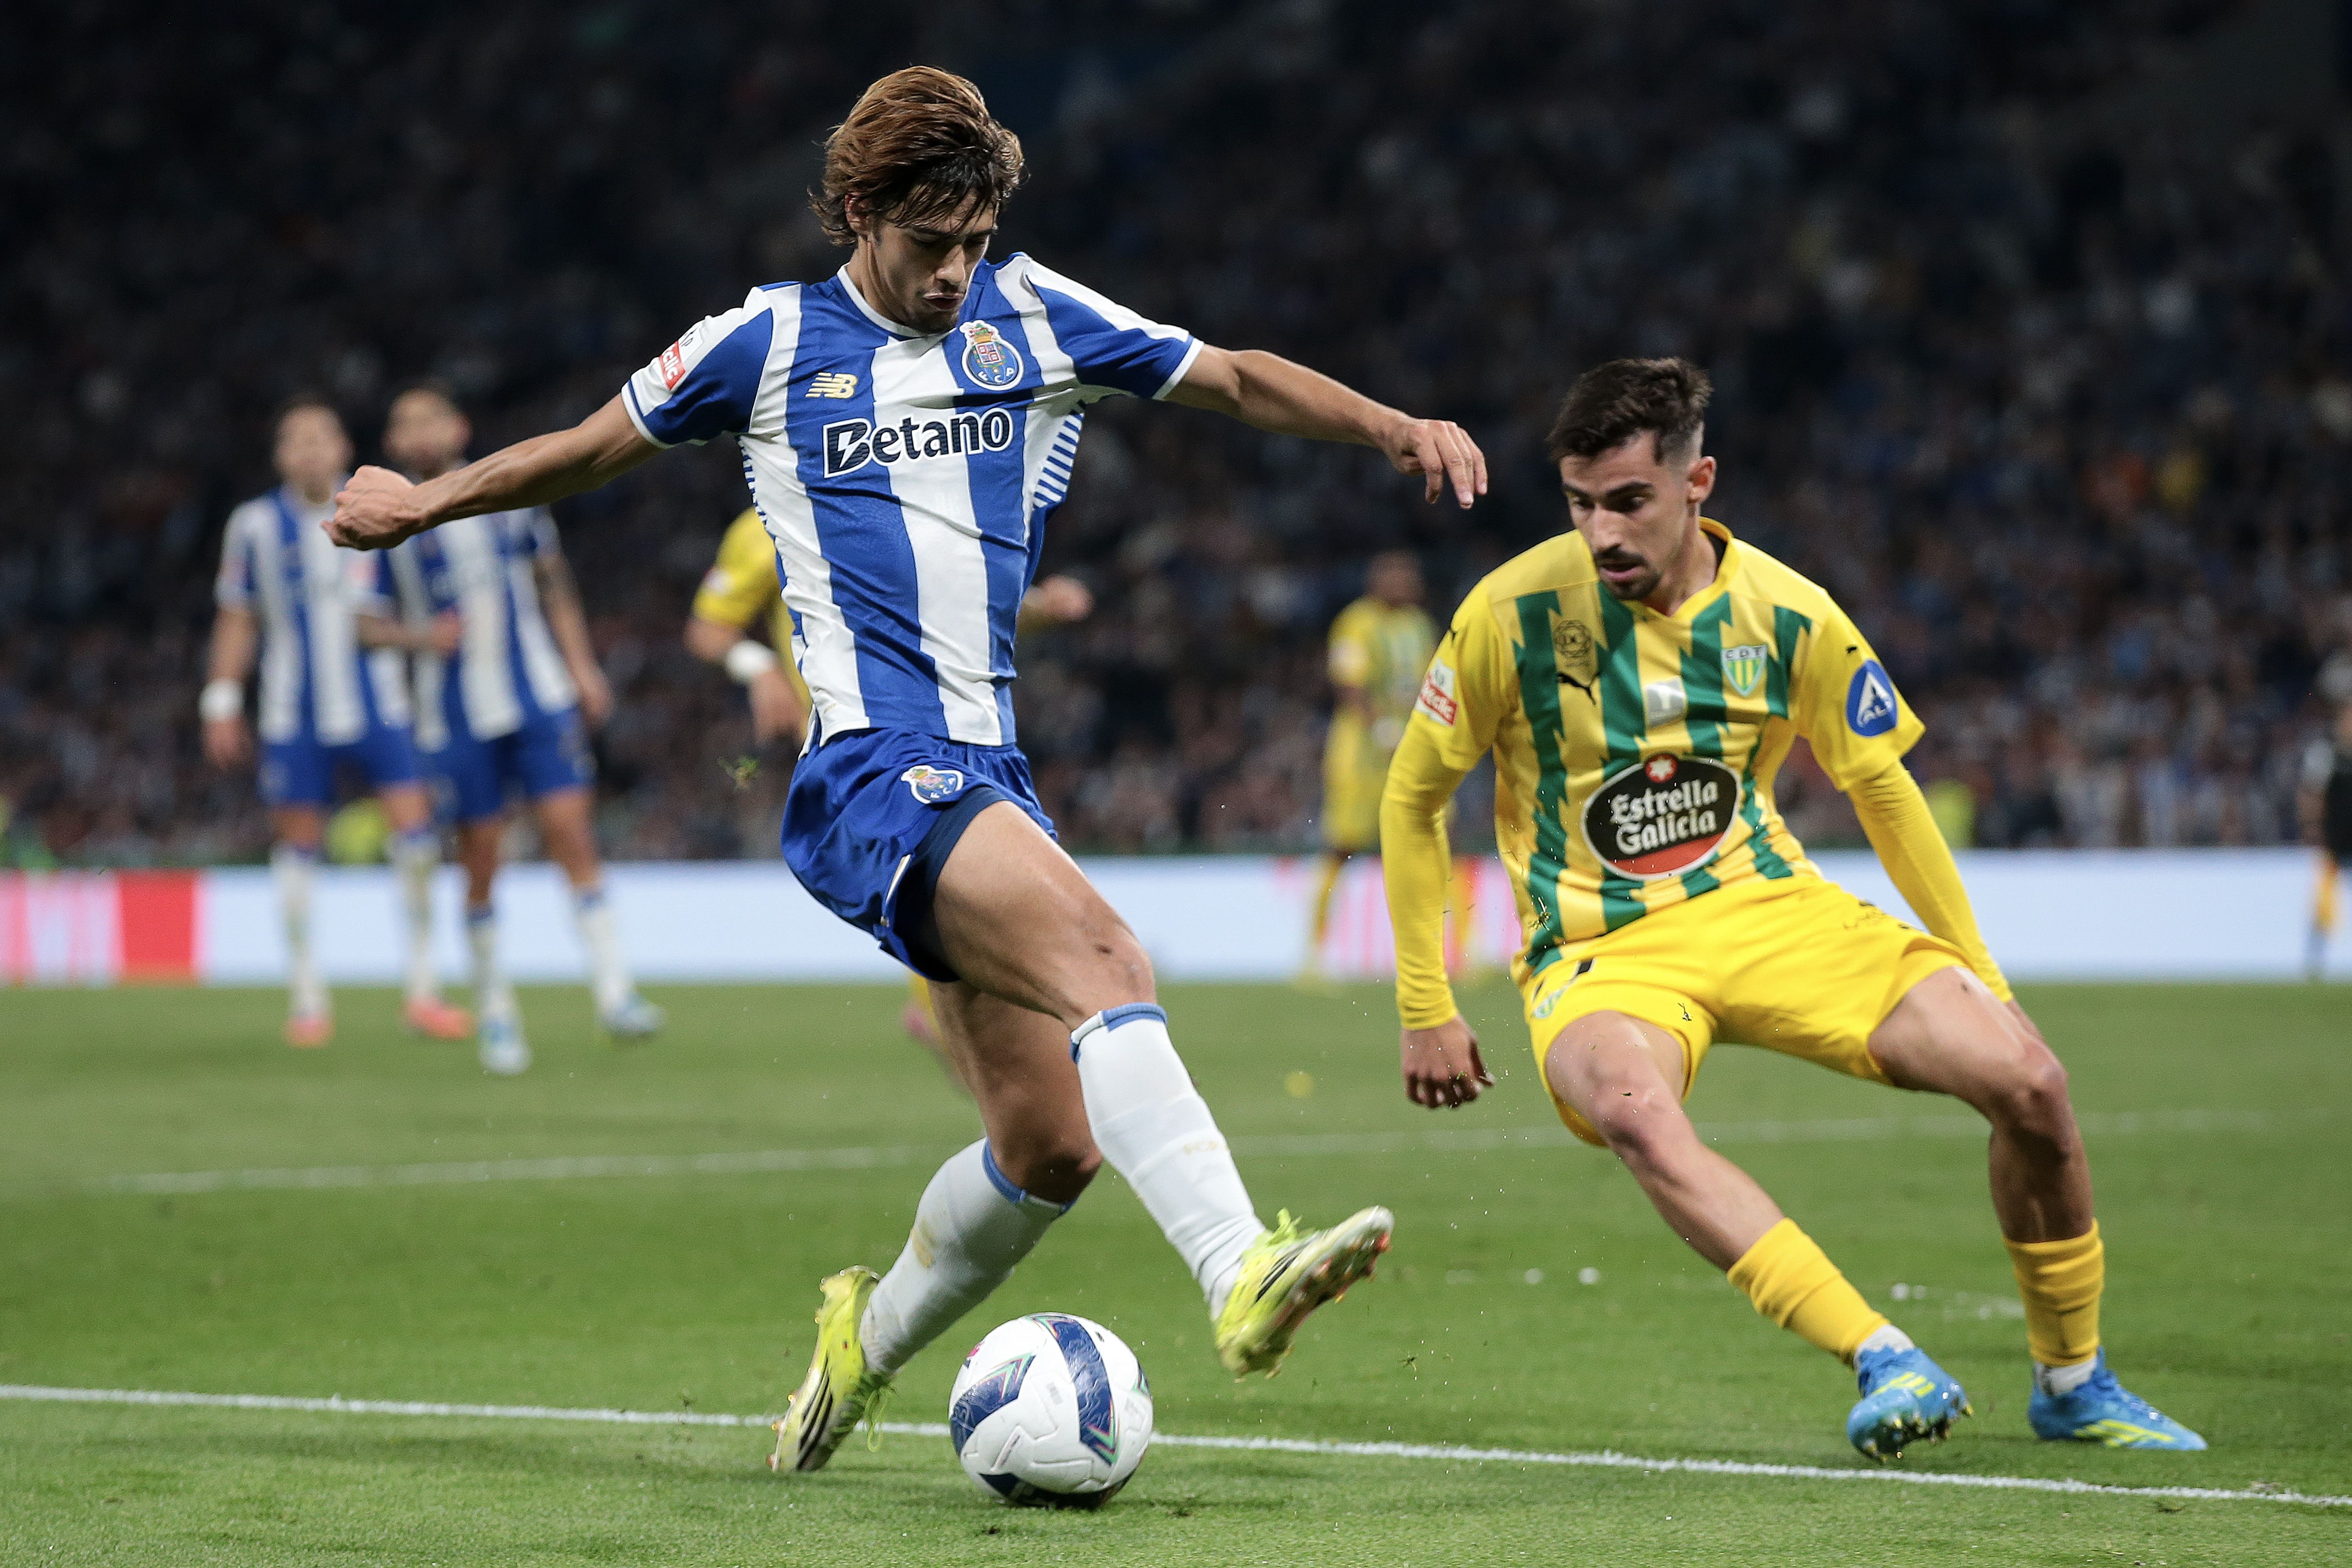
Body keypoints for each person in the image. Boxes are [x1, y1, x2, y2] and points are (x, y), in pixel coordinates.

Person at [328, 67, 1486, 1473]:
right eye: (931, 242)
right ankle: (1240, 1267)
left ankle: (856, 1347)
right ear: (859, 215)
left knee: (1049, 1143)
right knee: (1110, 958)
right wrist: (422, 503)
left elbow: (1231, 376)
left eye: (975, 242)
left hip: (987, 766)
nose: (955, 272)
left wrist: (1391, 425)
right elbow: (587, 450)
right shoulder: (764, 341)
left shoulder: (1032, 314)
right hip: (872, 768)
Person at [1380, 358, 2204, 1459]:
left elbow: (1883, 794)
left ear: (1697, 483)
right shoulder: (1509, 612)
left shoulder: (1789, 612)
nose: (1602, 532)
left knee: (2030, 1083)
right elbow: (1413, 797)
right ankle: (1880, 1355)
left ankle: (2071, 1379)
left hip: (1770, 911)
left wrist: (1982, 977)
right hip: (1599, 948)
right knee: (1632, 1109)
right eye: (1580, 504)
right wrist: (1424, 1002)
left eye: (1628, 501)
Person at [683, 508, 1095, 1049]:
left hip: (971, 736)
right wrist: (758, 668)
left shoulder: (919, 498)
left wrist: (1042, 606)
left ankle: (961, 1033)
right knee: (956, 916)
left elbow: (970, 608)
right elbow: (708, 628)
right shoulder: (770, 518)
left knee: (974, 928)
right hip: (868, 753)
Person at [358, 383, 663, 1076]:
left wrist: (581, 667)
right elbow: (362, 622)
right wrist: (418, 637)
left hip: (538, 696)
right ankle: (496, 1011)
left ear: (459, 426)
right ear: (394, 443)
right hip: (453, 714)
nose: (420, 432)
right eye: (406, 423)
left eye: (431, 418)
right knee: (481, 859)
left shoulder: (512, 491)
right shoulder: (389, 520)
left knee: (572, 834)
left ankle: (615, 991)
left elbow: (553, 582)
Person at [203, 396, 471, 1048]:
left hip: (381, 706)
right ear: (279, 455)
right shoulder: (254, 525)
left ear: (345, 447)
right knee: (297, 852)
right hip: (293, 713)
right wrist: (222, 700)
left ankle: (424, 992)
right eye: (296, 439)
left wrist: (420, 641)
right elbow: (237, 615)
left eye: (321, 437)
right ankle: (307, 1002)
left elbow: (412, 599)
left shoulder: (379, 508)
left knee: (417, 845)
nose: (310, 450)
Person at [1301, 549, 1443, 980]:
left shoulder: (1419, 625)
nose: (1405, 583)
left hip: (1411, 747)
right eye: (1394, 576)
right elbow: (1349, 684)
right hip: (1360, 753)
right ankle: (1313, 956)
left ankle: (1457, 953)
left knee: (1437, 839)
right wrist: (1380, 728)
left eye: (1409, 576)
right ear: (1375, 581)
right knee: (1342, 846)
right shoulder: (1356, 622)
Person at [2298, 649, 2352, 979]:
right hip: (2335, 839)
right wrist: (2313, 827)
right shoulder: (2327, 753)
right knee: (2325, 901)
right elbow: (2312, 793)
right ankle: (2316, 959)